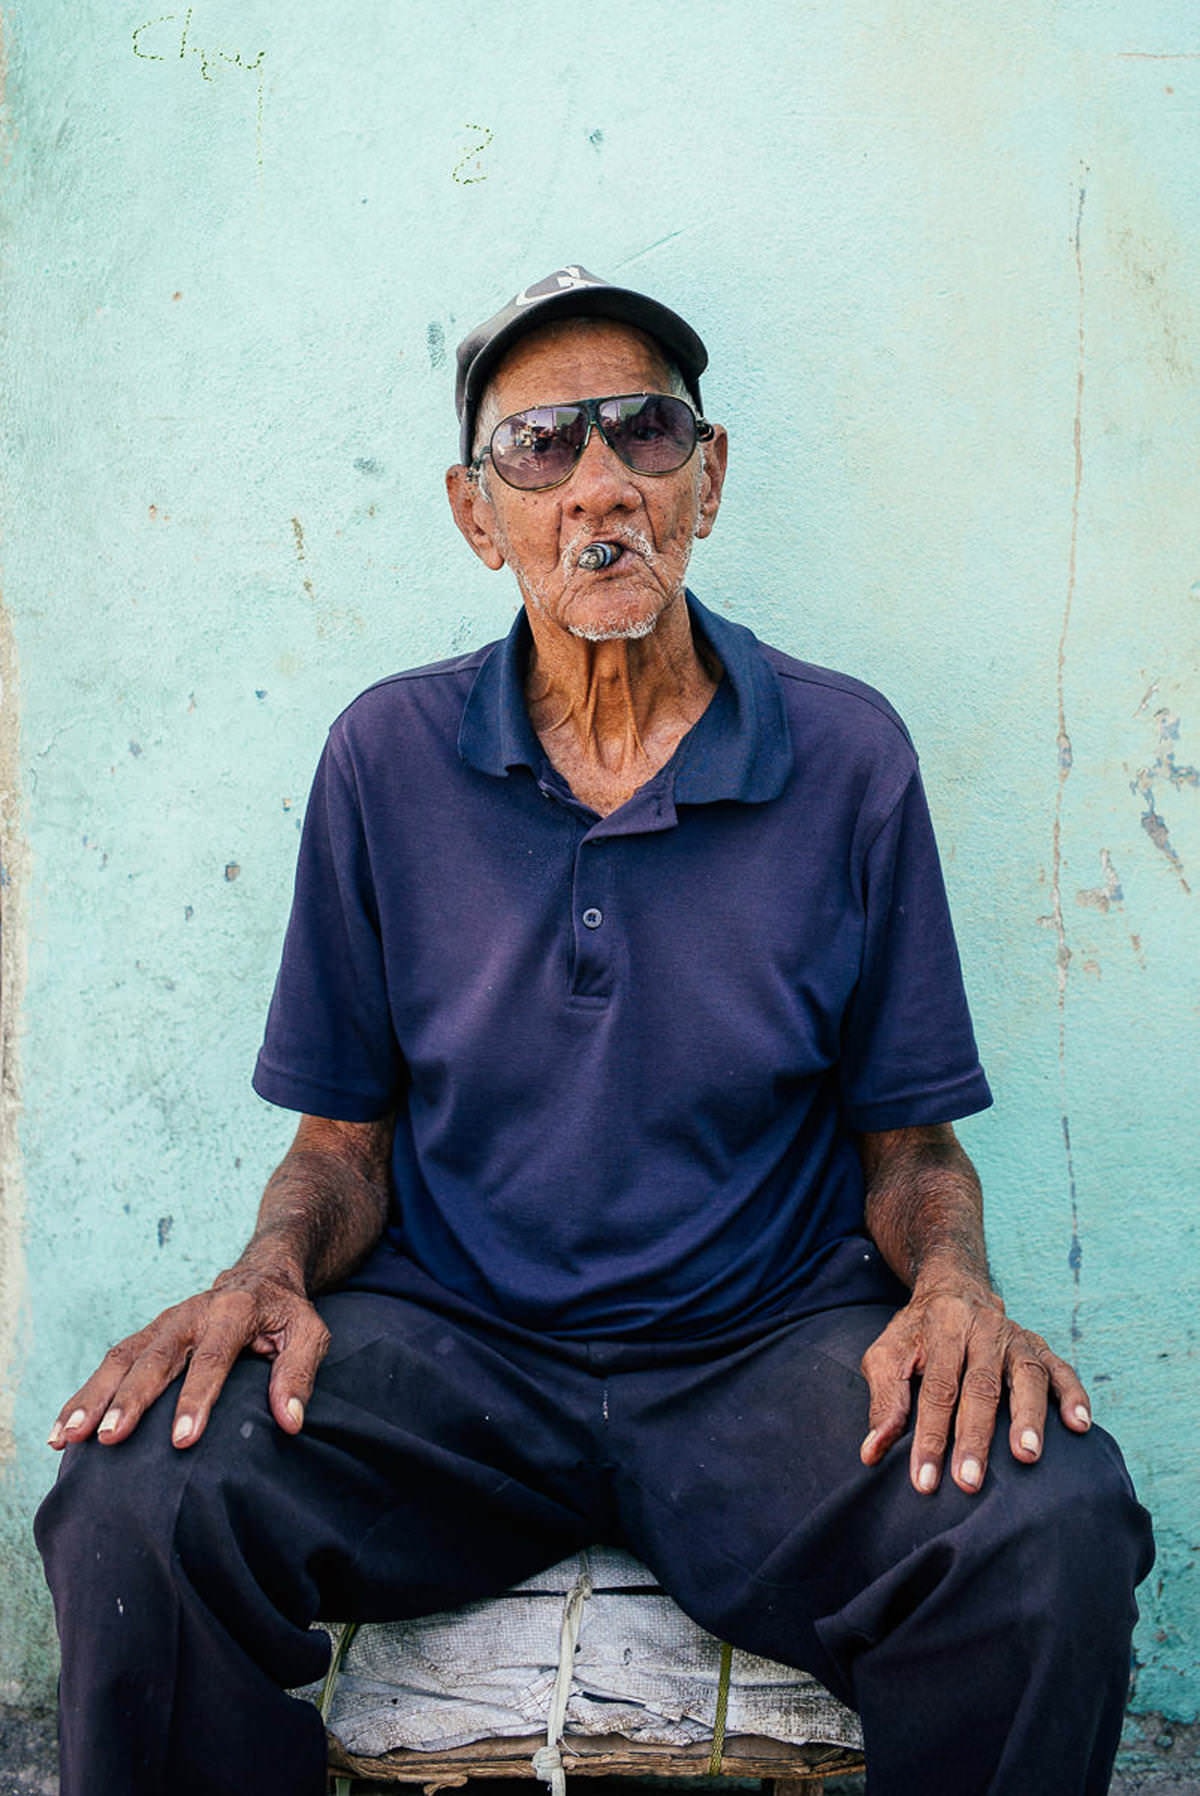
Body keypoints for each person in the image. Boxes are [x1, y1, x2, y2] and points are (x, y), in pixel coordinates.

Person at [37, 265, 1153, 1796]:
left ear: (707, 481)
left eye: (646, 431)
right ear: (471, 510)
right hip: (456, 1360)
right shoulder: (389, 759)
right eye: (541, 446)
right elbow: (340, 1149)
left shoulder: (845, 755)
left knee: (1050, 1525)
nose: (601, 484)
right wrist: (268, 1270)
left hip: (761, 1360)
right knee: (131, 1498)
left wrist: (957, 1282)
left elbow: (913, 1149)